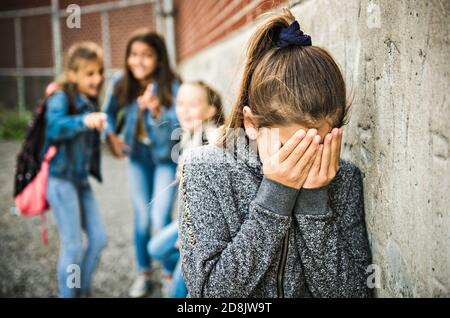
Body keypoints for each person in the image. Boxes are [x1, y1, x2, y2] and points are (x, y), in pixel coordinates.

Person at [179, 9, 372, 298]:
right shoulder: (207, 169)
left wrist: (315, 204)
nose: (304, 160)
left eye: (316, 145)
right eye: (290, 147)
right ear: (252, 124)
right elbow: (208, 296)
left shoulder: (343, 179)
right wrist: (276, 196)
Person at [103, 28, 181, 298]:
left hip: (164, 159)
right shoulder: (120, 82)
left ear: (159, 59)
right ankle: (144, 272)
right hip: (138, 158)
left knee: (160, 218)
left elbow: (178, 129)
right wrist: (111, 137)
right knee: (142, 218)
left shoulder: (172, 86)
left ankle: (171, 270)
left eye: (147, 55)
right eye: (134, 55)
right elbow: (108, 115)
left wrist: (157, 110)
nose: (139, 61)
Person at [148, 81, 224, 297]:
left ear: (210, 110)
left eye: (193, 104)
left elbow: (213, 202)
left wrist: (188, 236)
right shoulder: (186, 136)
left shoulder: (212, 139)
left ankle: (197, 279)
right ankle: (201, 279)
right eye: (180, 103)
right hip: (188, 221)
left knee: (176, 292)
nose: (185, 110)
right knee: (155, 248)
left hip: (205, 228)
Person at [45, 42, 108, 298]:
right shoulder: (61, 97)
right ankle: (67, 293)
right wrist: (84, 121)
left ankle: (80, 289)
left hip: (80, 181)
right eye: (90, 73)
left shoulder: (90, 100)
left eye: (99, 71)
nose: (97, 78)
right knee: (72, 245)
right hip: (61, 181)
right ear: (72, 74)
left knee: (99, 238)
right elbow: (54, 128)